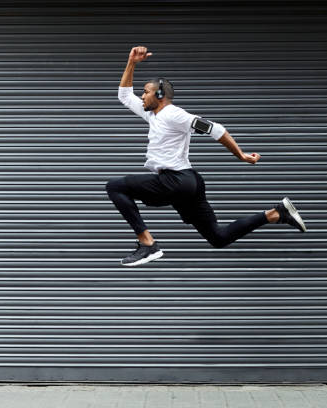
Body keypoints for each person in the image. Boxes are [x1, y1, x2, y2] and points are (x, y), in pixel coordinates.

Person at [106, 46, 306, 266]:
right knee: (218, 238)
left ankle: (147, 244)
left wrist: (241, 155)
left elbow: (215, 129)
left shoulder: (175, 115)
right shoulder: (153, 115)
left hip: (176, 181)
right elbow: (124, 95)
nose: (142, 96)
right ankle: (276, 214)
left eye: (146, 91)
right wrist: (131, 62)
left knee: (115, 186)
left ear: (160, 95)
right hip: (187, 184)